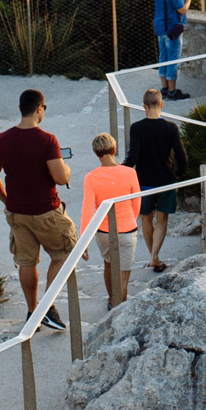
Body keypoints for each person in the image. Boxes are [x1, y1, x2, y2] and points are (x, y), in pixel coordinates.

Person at [0, 87, 73, 329]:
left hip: (17, 213)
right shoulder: (47, 140)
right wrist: (67, 169)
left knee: (26, 262)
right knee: (66, 252)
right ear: (39, 109)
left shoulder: (2, 139)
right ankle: (47, 307)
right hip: (46, 210)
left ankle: (33, 311)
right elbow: (60, 178)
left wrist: (6, 200)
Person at [128, 85, 188, 271]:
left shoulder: (136, 128)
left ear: (144, 106)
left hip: (144, 182)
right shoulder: (171, 128)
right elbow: (181, 156)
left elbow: (133, 158)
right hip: (166, 181)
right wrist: (180, 173)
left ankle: (153, 257)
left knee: (146, 218)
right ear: (161, 104)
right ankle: (155, 257)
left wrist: (122, 171)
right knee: (162, 220)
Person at [80, 130, 141, 305]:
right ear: (114, 150)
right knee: (124, 272)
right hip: (128, 229)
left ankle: (111, 300)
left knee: (108, 264)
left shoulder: (91, 178)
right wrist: (131, 218)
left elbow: (87, 209)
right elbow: (136, 202)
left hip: (104, 231)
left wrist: (84, 239)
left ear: (96, 154)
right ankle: (119, 305)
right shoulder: (130, 173)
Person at [152, 0, 190, 98]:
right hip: (172, 29)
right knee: (173, 60)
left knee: (163, 58)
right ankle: (173, 92)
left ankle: (164, 88)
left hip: (160, 28)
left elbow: (166, 1)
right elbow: (182, 9)